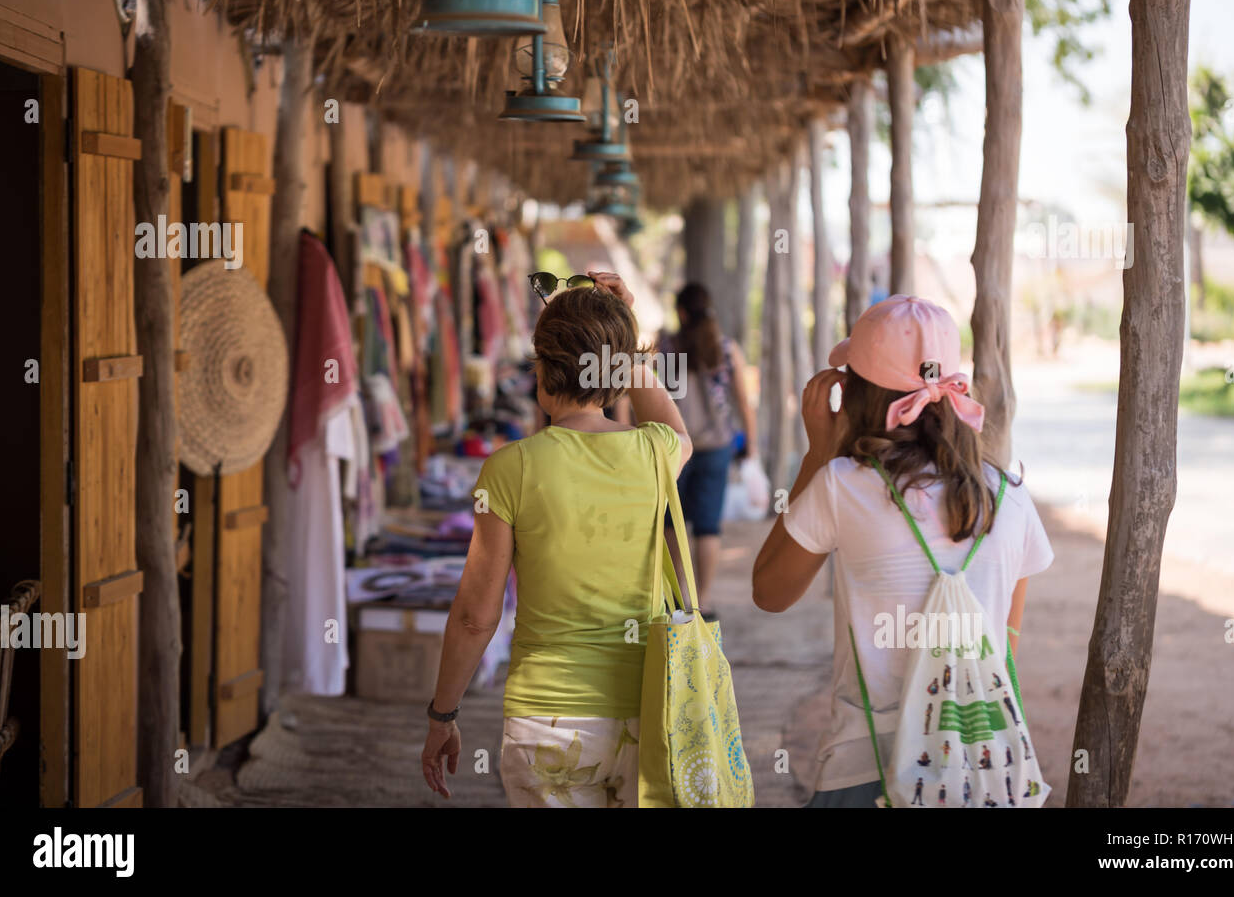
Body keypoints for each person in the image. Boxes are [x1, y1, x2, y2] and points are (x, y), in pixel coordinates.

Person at [752, 295, 1054, 809]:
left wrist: (818, 454)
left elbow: (769, 592)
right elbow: (1003, 648)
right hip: (978, 769)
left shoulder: (841, 487)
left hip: (865, 767)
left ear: (854, 392)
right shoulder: (1010, 494)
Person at [420, 271, 692, 808]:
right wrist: (624, 334)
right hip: (648, 708)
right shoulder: (655, 453)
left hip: (547, 719)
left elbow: (477, 615)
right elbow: (680, 431)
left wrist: (442, 715)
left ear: (542, 374)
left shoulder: (509, 469)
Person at [658, 282, 757, 620]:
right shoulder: (726, 349)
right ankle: (703, 601)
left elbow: (657, 395)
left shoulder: (668, 347)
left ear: (682, 312)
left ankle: (676, 598)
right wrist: (751, 448)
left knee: (673, 521)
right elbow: (743, 402)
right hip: (718, 445)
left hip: (676, 446)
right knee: (708, 526)